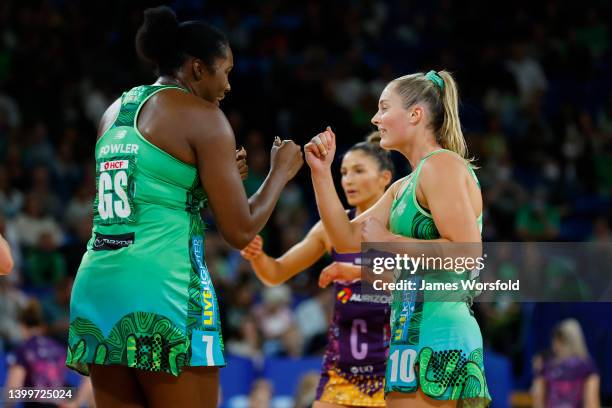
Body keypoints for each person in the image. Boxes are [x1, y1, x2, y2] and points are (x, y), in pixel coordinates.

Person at [66, 6, 303, 408]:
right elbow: (240, 232)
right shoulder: (203, 116)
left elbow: (154, 199)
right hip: (163, 289)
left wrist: (207, 184)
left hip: (97, 288)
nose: (228, 84)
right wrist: (279, 173)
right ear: (196, 68)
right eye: (224, 71)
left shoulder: (115, 110)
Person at [304, 70, 491, 407]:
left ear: (415, 114)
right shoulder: (402, 186)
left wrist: (388, 240)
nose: (375, 118)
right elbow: (346, 238)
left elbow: (467, 254)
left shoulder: (442, 166)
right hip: (406, 333)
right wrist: (320, 173)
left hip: (440, 331)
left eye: (384, 108)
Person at [241, 133, 393, 407]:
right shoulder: (330, 228)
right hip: (343, 366)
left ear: (385, 178)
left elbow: (434, 277)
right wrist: (258, 256)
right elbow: (275, 273)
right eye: (344, 172)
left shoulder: (401, 227)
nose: (348, 179)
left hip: (393, 368)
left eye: (359, 171)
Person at [4, 299, 93, 408]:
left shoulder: (23, 350)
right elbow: (89, 376)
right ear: (43, 325)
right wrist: (76, 403)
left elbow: (13, 389)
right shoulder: (59, 348)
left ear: (22, 326)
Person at [531, 319, 600, 408]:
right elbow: (591, 403)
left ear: (558, 340)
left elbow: (538, 400)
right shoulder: (587, 366)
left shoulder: (547, 366)